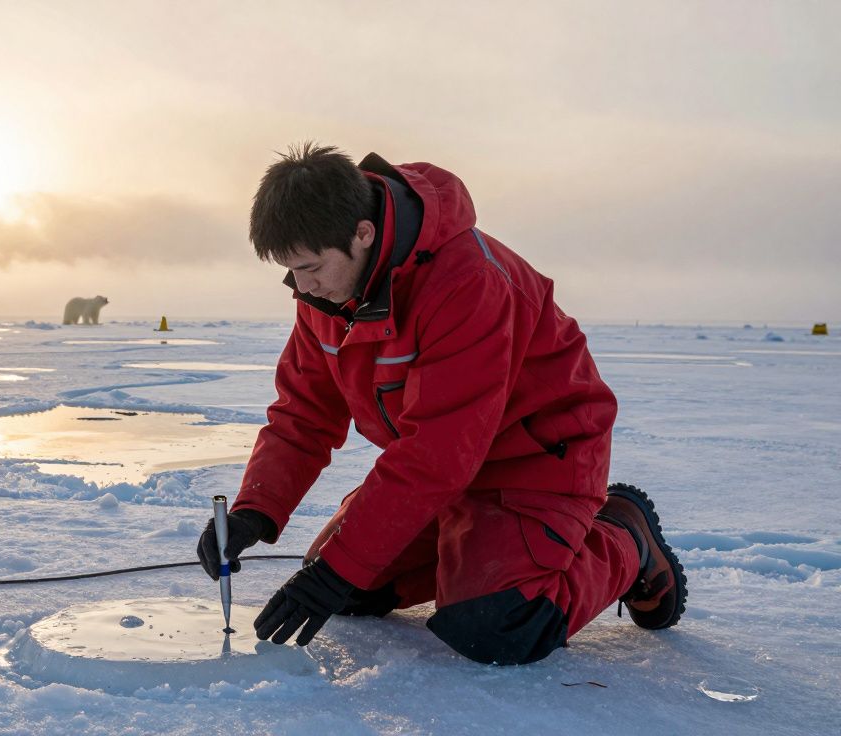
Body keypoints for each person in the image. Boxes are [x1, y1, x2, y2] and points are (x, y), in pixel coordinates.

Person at [197, 144, 686, 665]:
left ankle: (623, 541)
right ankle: (468, 545)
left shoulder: (468, 282)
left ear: (362, 233)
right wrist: (255, 511)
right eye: (291, 270)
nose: (301, 285)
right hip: (448, 473)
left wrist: (338, 569)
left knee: (495, 626)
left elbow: (438, 451)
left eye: (311, 267)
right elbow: (304, 413)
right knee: (351, 588)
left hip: (537, 459)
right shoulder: (326, 297)